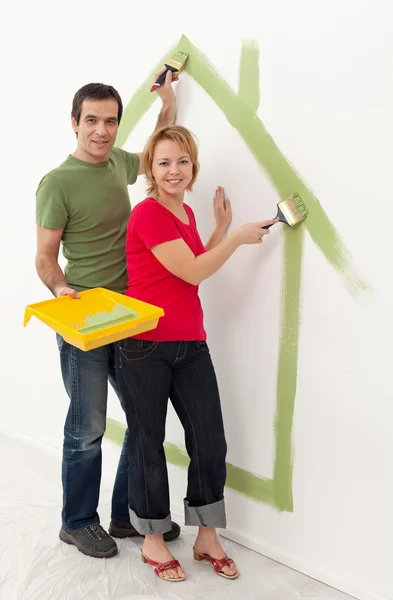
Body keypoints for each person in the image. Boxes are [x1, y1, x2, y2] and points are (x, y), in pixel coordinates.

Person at [116, 124, 277, 581]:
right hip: (144, 345)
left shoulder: (184, 212)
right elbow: (191, 271)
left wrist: (220, 229)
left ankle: (207, 535)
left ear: (193, 166)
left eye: (182, 162)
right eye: (164, 162)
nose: (174, 170)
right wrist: (235, 237)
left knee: (209, 439)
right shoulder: (147, 214)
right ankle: (151, 541)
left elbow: (190, 271)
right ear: (150, 167)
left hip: (190, 343)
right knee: (148, 442)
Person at [35, 71, 181, 559]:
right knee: (88, 426)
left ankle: (124, 516)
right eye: (92, 120)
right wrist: (60, 288)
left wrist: (167, 100)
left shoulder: (119, 164)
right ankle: (76, 521)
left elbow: (157, 150)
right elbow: (44, 256)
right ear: (74, 123)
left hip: (131, 314)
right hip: (86, 318)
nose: (101, 130)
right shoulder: (57, 182)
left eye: (111, 122)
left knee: (143, 421)